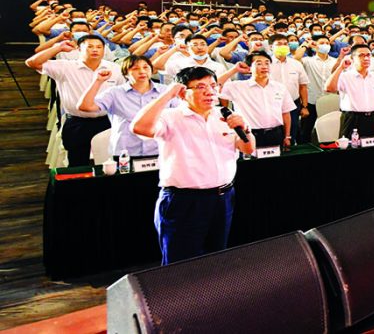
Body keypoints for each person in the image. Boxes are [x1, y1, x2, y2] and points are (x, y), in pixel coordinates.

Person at [131, 66, 255, 265]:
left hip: (222, 198)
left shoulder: (225, 115)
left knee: (216, 259)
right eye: (200, 87)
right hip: (184, 201)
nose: (209, 92)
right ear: (182, 93)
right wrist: (168, 94)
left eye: (213, 86)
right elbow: (139, 127)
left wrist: (245, 129)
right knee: (181, 265)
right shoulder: (170, 117)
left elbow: (248, 148)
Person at [26, 36, 125, 167]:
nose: (95, 50)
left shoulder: (114, 68)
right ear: (78, 49)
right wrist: (58, 48)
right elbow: (32, 63)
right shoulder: (66, 67)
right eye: (90, 47)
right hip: (78, 123)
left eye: (99, 47)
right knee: (78, 163)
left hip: (106, 121)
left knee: (109, 163)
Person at [78, 55, 179, 158]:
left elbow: (180, 114)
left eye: (145, 67)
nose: (142, 71)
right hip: (125, 153)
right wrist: (98, 81)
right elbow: (85, 106)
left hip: (160, 150)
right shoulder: (115, 93)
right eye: (135, 68)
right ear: (125, 73)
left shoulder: (166, 91)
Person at [219, 51, 294, 147]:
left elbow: (286, 113)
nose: (264, 66)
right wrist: (234, 70)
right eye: (259, 63)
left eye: (267, 63)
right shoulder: (238, 86)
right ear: (249, 68)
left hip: (275, 134)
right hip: (248, 134)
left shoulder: (280, 87)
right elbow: (212, 86)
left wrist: (287, 136)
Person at [326, 44, 374, 138]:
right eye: (361, 55)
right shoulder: (345, 76)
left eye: (368, 55)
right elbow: (329, 88)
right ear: (352, 59)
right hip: (352, 119)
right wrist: (340, 68)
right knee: (351, 145)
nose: (366, 58)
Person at [267, 34, 309, 143]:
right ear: (271, 47)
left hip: (293, 104)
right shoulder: (266, 64)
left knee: (291, 133)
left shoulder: (296, 64)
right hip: (271, 104)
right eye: (279, 44)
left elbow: (303, 86)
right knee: (273, 135)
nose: (283, 46)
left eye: (285, 44)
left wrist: (304, 106)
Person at [300, 35, 338, 142]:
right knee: (306, 130)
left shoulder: (335, 61)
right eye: (322, 43)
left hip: (330, 100)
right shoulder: (308, 61)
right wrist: (306, 45)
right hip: (312, 100)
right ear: (315, 45)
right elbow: (296, 58)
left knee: (331, 129)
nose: (325, 45)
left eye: (327, 43)